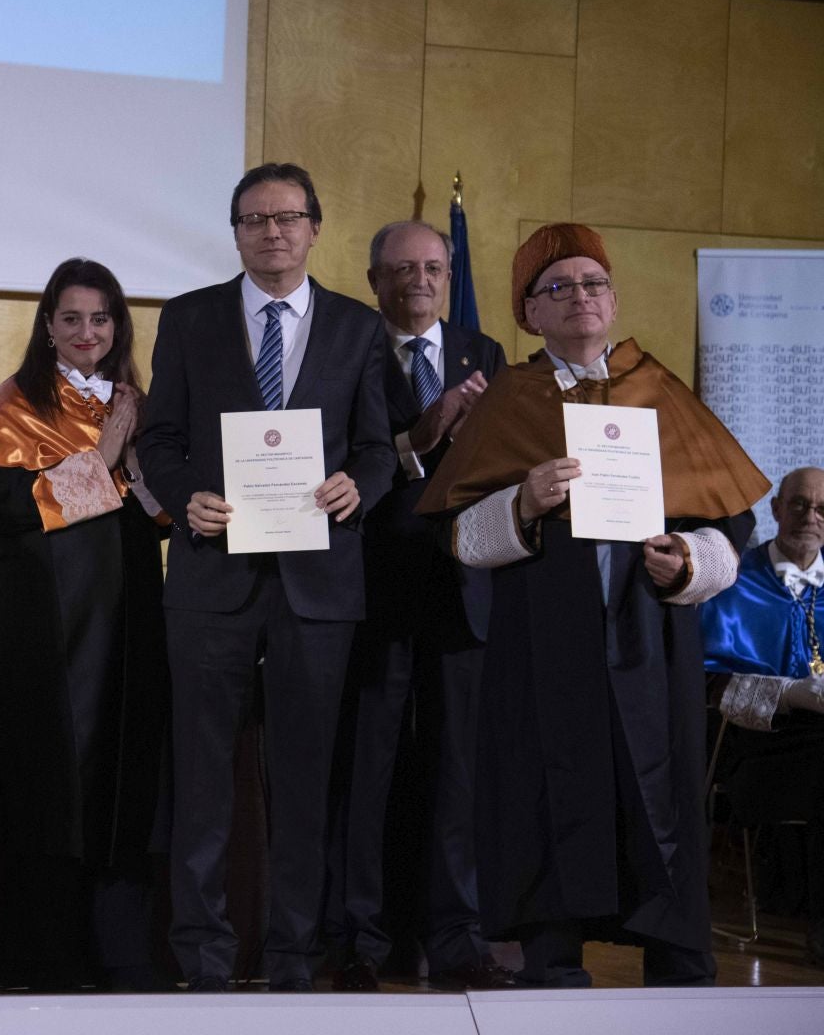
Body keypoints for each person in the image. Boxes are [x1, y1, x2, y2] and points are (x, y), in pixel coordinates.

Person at [416, 222, 768, 987]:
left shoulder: (660, 389)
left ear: (613, 299)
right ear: (529, 313)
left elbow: (730, 525)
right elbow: (459, 536)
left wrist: (688, 565)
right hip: (545, 642)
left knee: (662, 791)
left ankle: (680, 962)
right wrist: (523, 502)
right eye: (559, 287)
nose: (582, 297)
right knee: (545, 791)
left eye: (594, 283)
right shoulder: (510, 398)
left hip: (649, 635)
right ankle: (553, 959)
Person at [136, 162, 394, 991]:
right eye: (254, 219)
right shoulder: (190, 318)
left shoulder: (359, 327)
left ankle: (292, 955)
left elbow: (379, 446)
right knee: (203, 777)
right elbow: (160, 438)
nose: (271, 232)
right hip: (213, 576)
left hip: (318, 585)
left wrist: (364, 483)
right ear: (236, 230)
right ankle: (203, 957)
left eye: (287, 218)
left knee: (306, 782)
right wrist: (185, 499)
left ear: (315, 227)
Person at [0, 257, 168, 990]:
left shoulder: (137, 402)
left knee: (126, 785)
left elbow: (160, 513)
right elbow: (9, 514)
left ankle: (123, 952)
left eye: (100, 318)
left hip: (130, 625)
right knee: (51, 794)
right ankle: (46, 959)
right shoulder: (14, 408)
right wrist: (104, 458)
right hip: (46, 633)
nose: (86, 332)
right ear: (47, 327)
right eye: (70, 319)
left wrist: (136, 456)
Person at [324, 222, 513, 992]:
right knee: (365, 775)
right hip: (372, 589)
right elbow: (340, 462)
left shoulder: (486, 355)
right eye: (401, 269)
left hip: (463, 589)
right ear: (374, 281)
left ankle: (457, 940)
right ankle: (359, 942)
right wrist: (416, 438)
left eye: (434, 267)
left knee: (457, 776)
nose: (420, 280)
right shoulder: (345, 350)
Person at [701, 466, 824, 963]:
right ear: (776, 509)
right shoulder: (733, 582)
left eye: (821, 509)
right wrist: (792, 694)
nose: (809, 517)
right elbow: (711, 687)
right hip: (754, 751)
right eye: (798, 504)